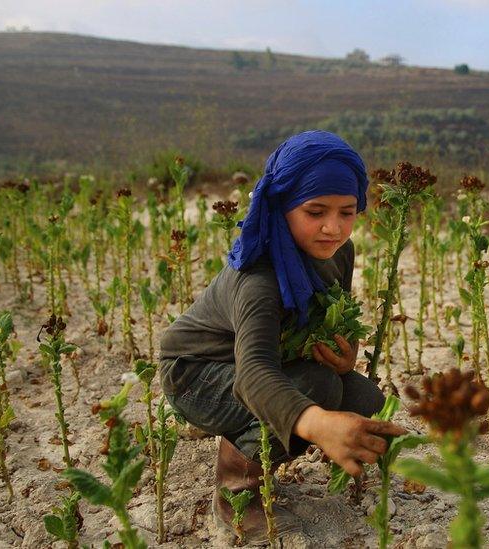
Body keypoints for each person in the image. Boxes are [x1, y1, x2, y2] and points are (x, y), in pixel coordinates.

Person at [158, 130, 406, 542]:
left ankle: (280, 432)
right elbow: (253, 375)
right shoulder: (258, 278)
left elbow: (332, 320)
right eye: (315, 211)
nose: (333, 227)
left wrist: (347, 356)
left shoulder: (339, 252)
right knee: (319, 389)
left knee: (366, 400)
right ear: (280, 206)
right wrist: (319, 423)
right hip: (196, 375)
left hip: (260, 360)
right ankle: (235, 490)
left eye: (347, 212)